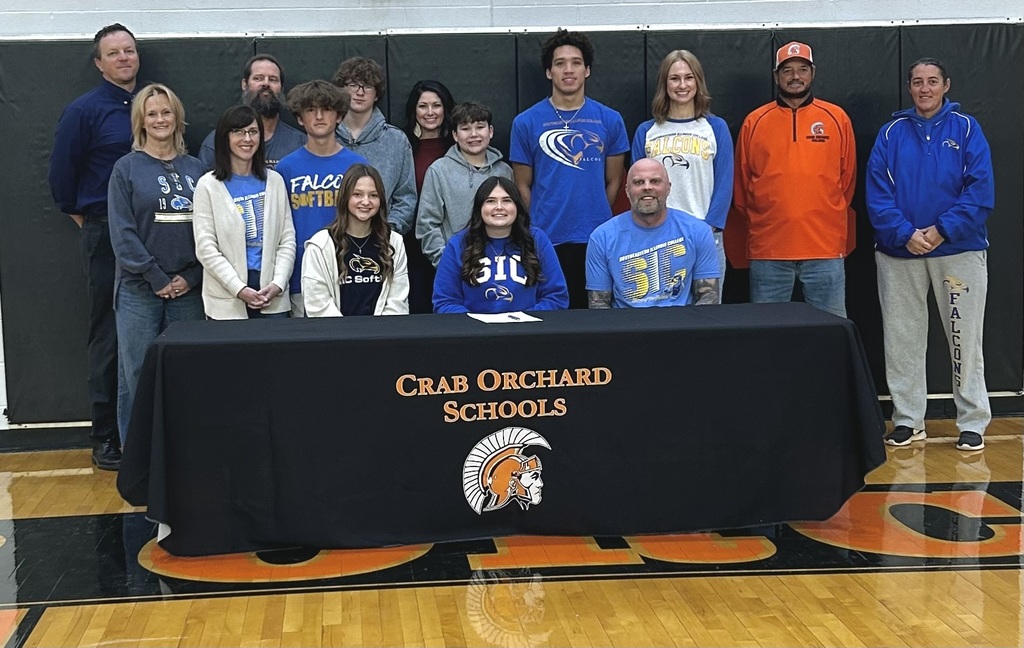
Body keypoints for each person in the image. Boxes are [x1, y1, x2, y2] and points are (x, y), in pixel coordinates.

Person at [866, 58, 994, 452]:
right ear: (910, 87)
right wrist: (905, 234)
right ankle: (908, 420)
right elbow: (876, 193)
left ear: (946, 86)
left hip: (957, 251)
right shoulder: (890, 134)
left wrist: (941, 231)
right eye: (918, 82)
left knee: (964, 339)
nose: (925, 89)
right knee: (902, 340)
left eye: (932, 81)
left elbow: (980, 191)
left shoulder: (968, 129)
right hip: (899, 253)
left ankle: (972, 421)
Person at [48, 23, 140, 470]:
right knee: (108, 333)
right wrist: (98, 223)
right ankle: (106, 437)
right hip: (105, 232)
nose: (124, 58)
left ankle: (147, 432)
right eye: (114, 52)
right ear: (99, 63)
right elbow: (63, 186)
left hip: (156, 232)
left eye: (129, 50)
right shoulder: (83, 112)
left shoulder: (153, 106)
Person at [107, 83, 205, 446]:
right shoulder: (126, 169)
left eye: (166, 112)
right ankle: (139, 461)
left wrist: (190, 278)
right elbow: (122, 234)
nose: (160, 119)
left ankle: (184, 457)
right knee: (137, 375)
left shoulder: (197, 168)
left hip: (188, 291)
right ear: (141, 122)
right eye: (152, 114)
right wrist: (156, 277)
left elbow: (210, 233)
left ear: (177, 117)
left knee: (187, 375)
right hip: (138, 291)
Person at [729, 41, 856, 318]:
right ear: (776, 76)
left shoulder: (836, 118)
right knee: (767, 334)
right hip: (769, 250)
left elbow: (846, 182)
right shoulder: (755, 121)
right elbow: (741, 186)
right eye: (787, 70)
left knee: (830, 333)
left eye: (802, 69)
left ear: (813, 73)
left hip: (824, 248)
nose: (795, 76)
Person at [510, 29, 628, 309]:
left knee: (595, 316)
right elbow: (522, 185)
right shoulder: (525, 122)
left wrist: (595, 212)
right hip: (547, 237)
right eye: (560, 63)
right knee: (552, 315)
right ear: (549, 72)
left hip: (596, 236)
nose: (568, 70)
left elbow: (614, 181)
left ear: (587, 70)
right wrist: (539, 221)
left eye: (576, 62)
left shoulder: (610, 120)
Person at [631, 49, 733, 300]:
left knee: (707, 317)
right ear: (664, 84)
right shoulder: (647, 131)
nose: (682, 85)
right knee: (662, 314)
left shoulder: (715, 127)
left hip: (704, 236)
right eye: (674, 78)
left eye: (689, 77)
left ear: (698, 82)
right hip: (658, 237)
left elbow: (724, 182)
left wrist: (710, 228)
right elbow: (637, 188)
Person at [192, 105, 296, 319]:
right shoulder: (208, 185)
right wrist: (239, 288)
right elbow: (206, 248)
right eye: (238, 131)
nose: (247, 139)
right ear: (224, 137)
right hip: (227, 303)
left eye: (253, 131)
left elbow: (287, 240)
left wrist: (278, 283)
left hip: (272, 299)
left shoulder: (275, 181)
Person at [275, 80, 367, 316]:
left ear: (338, 116)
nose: (318, 116)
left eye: (326, 109)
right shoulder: (285, 168)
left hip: (350, 271)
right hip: (301, 274)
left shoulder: (357, 166)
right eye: (310, 110)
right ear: (299, 118)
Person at [587, 159, 719, 308]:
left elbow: (708, 297)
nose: (647, 187)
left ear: (668, 188)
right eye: (639, 182)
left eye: (655, 181)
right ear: (627, 190)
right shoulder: (601, 237)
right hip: (625, 327)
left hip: (681, 325)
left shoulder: (698, 231)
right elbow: (598, 303)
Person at [432, 177, 568, 313]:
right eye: (490, 201)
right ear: (479, 207)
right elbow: (445, 301)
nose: (499, 207)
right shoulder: (458, 244)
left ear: (517, 206)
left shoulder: (537, 239)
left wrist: (523, 321)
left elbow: (556, 297)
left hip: (528, 330)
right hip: (475, 332)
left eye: (506, 200)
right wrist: (477, 325)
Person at [301, 164, 409, 317]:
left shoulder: (394, 243)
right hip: (336, 336)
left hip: (382, 336)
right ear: (345, 197)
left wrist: (379, 336)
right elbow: (318, 305)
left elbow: (397, 303)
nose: (366, 201)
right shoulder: (320, 245)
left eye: (373, 195)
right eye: (357, 194)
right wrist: (348, 337)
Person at [417, 101, 514, 268]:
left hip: (501, 267)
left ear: (490, 131)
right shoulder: (439, 171)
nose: (474, 134)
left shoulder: (505, 171)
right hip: (457, 267)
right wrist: (446, 263)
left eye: (480, 127)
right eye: (465, 128)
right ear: (455, 135)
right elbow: (427, 224)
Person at [332, 57, 417, 237]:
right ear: (342, 90)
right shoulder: (326, 137)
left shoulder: (396, 140)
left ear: (377, 94)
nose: (360, 92)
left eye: (368, 86)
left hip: (381, 243)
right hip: (331, 240)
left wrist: (389, 230)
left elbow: (406, 197)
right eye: (353, 85)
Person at [402, 80, 456, 314]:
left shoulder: (459, 147)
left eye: (437, 105)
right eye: (423, 106)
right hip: (410, 245)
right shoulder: (403, 146)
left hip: (449, 244)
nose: (430, 112)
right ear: (414, 110)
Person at [198, 54, 306, 170]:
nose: (266, 83)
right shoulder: (218, 141)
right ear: (245, 85)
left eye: (273, 79)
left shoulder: (300, 143)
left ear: (282, 87)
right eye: (258, 78)